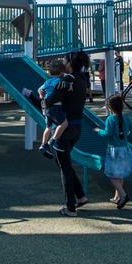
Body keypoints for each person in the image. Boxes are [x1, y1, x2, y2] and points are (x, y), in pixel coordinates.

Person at [50, 51, 93, 214]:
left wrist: (37, 97)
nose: (62, 64)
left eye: (64, 61)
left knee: (65, 167)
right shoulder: (82, 79)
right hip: (77, 127)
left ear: (70, 64)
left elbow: (51, 99)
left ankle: (70, 207)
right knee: (63, 162)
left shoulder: (69, 80)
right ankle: (81, 196)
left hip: (65, 129)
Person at [99, 94, 132, 208]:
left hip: (114, 150)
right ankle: (117, 197)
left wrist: (98, 131)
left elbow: (107, 133)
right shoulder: (126, 118)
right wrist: (126, 137)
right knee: (119, 174)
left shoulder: (110, 119)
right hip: (125, 149)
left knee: (111, 174)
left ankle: (123, 195)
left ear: (109, 108)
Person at [29, 59, 70, 156]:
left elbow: (40, 90)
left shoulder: (47, 82)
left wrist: (41, 95)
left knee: (48, 127)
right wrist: (69, 85)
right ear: (61, 73)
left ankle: (43, 145)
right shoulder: (59, 81)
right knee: (64, 124)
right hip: (55, 107)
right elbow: (64, 86)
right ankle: (53, 140)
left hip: (45, 108)